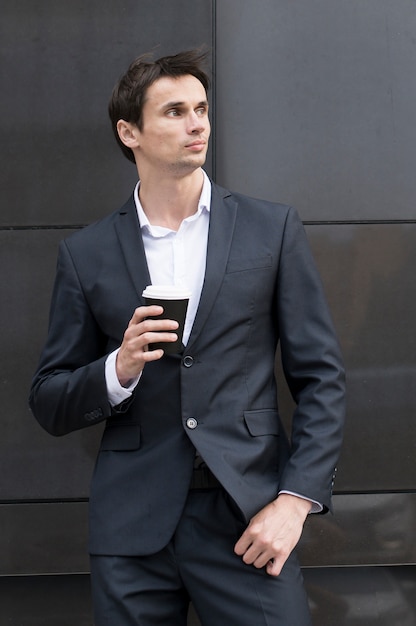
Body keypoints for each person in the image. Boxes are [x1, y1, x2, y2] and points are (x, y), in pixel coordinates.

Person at [29, 50, 346, 625]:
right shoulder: (86, 253)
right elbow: (49, 400)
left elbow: (322, 379)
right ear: (130, 132)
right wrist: (117, 369)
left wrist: (295, 504)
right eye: (174, 111)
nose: (197, 123)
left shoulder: (270, 228)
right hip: (132, 531)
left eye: (201, 108)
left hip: (248, 517)